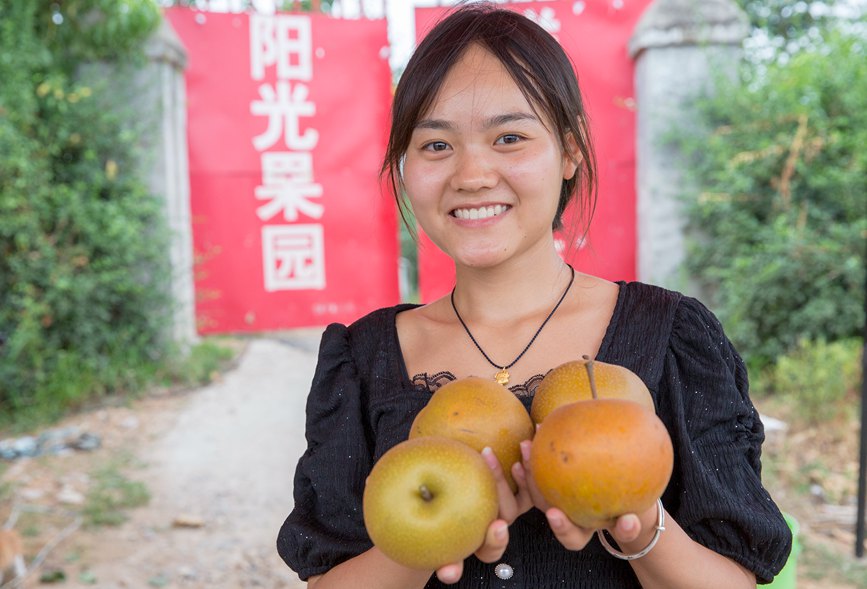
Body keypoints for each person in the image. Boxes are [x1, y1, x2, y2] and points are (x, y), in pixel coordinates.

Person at [277, 4, 792, 588]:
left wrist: (638, 526)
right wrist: (425, 541)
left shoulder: (671, 337)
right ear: (403, 165)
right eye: (436, 146)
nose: (471, 174)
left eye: (510, 137)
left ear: (570, 150)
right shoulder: (362, 358)